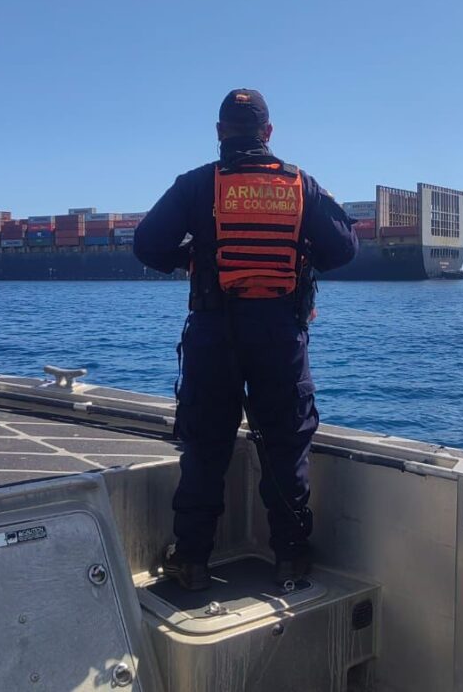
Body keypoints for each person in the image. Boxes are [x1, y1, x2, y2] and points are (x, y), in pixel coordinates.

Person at [133, 88, 358, 590]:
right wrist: (300, 257)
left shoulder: (197, 186)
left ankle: (191, 561)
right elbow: (344, 248)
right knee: (285, 444)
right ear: (268, 133)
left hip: (215, 333)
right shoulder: (302, 186)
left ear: (219, 133)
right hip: (280, 333)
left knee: (206, 445)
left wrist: (190, 258)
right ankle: (291, 559)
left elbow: (146, 243)